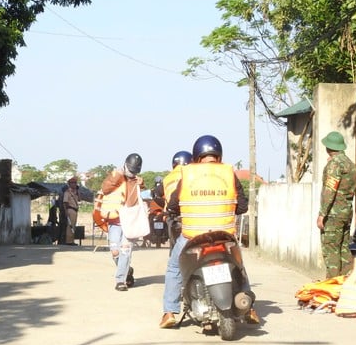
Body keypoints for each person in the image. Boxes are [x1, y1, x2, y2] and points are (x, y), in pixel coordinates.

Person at [160, 135, 259, 328]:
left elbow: (172, 205)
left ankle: (170, 312)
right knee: (239, 267)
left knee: (173, 268)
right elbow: (242, 207)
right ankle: (250, 307)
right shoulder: (228, 173)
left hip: (193, 235)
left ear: (196, 156)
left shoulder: (187, 174)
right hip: (223, 235)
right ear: (219, 155)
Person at [100, 153, 144, 291]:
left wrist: (142, 185)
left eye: (134, 171)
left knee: (125, 251)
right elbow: (105, 188)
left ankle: (120, 280)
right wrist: (117, 175)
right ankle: (127, 270)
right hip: (114, 221)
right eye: (130, 170)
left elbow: (141, 195)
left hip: (129, 222)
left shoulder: (136, 181)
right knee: (115, 251)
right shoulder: (115, 176)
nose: (132, 174)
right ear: (125, 165)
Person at [317, 131, 356, 278]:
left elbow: (330, 191)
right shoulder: (350, 164)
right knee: (344, 248)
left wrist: (322, 214)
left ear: (328, 147)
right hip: (346, 212)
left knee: (331, 250)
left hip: (333, 214)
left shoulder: (335, 164)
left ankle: (332, 285)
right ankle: (346, 283)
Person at [63, 176, 81, 245]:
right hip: (70, 209)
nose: (74, 184)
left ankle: (71, 240)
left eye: (75, 183)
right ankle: (69, 241)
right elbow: (65, 203)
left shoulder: (75, 192)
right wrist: (66, 212)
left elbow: (79, 199)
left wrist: (78, 191)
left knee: (73, 226)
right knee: (70, 226)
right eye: (73, 183)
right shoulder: (67, 192)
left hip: (75, 210)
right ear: (69, 184)